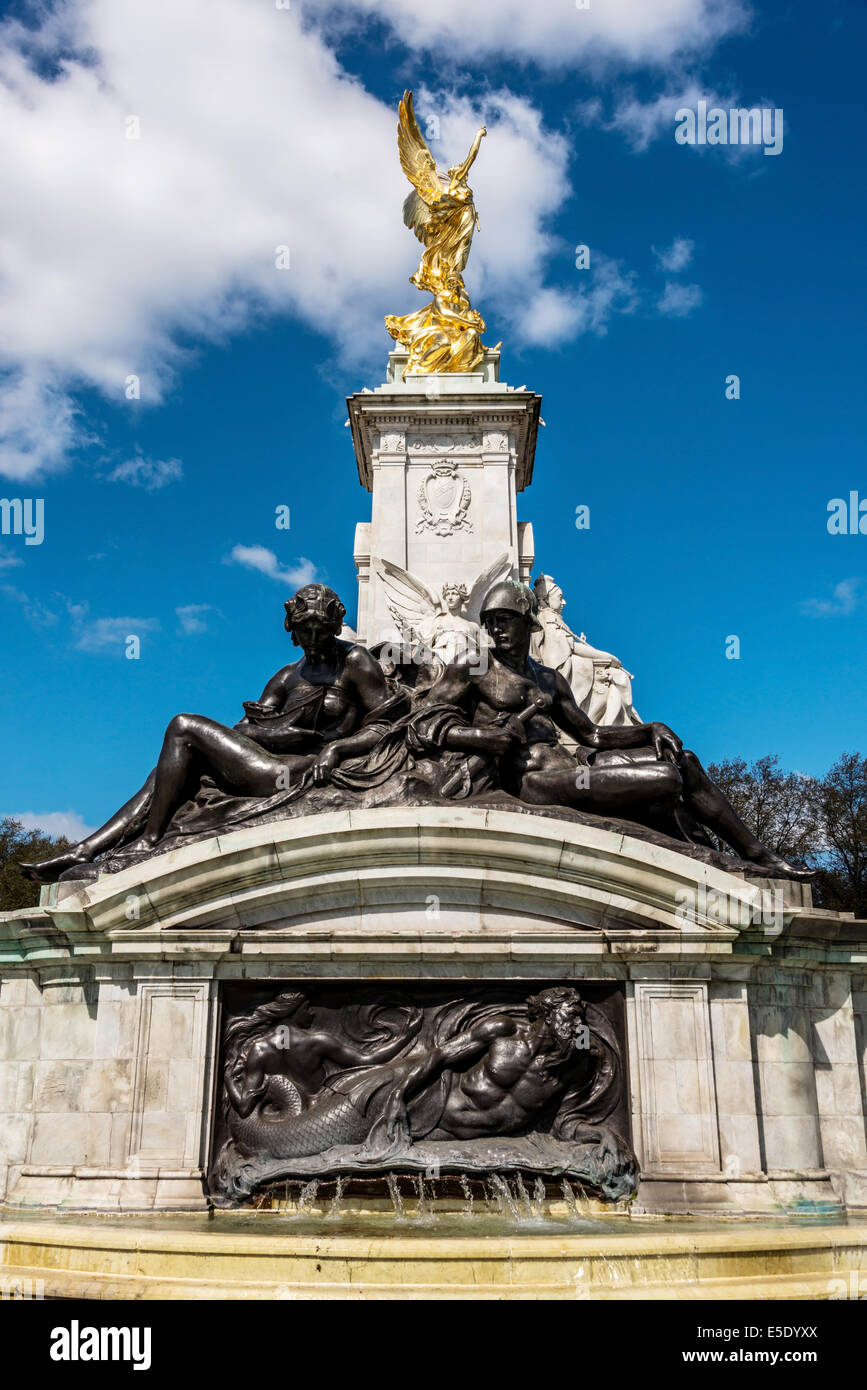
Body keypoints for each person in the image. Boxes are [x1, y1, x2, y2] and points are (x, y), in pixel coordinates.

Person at [413, 580, 813, 880]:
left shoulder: (548, 678)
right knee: (665, 777)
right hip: (529, 780)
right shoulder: (474, 666)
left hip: (569, 767)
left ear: (527, 623)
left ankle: (757, 855)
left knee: (684, 761)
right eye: (489, 622)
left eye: (505, 620)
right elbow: (422, 723)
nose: (496, 629)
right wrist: (483, 738)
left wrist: (650, 729)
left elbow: (594, 736)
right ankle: (716, 860)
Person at [19, 584, 395, 883]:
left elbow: (386, 725)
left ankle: (146, 843)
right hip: (268, 760)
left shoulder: (355, 662)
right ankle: (89, 849)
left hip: (297, 772)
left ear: (335, 627)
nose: (313, 638)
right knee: (167, 770)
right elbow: (244, 730)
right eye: (304, 630)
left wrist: (338, 749)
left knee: (183, 727)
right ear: (292, 632)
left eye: (320, 630)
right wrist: (282, 735)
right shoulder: (286, 677)